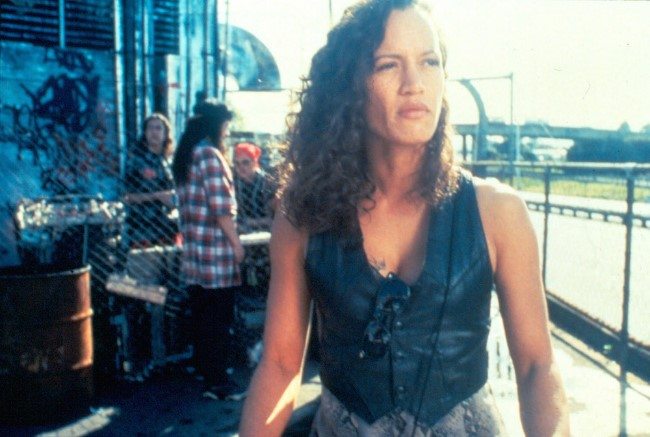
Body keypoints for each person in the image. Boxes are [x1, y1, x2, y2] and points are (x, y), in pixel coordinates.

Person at [239, 1, 569, 436]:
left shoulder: (499, 212)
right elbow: (281, 364)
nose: (415, 84)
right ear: (350, 86)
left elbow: (536, 366)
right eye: (388, 65)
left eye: (430, 62)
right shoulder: (302, 217)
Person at [172, 100, 246, 401]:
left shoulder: (186, 154)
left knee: (202, 318)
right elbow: (221, 209)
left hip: (195, 254)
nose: (226, 132)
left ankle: (206, 373)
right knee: (219, 321)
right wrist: (237, 245)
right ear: (217, 124)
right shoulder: (210, 155)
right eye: (225, 126)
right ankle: (219, 384)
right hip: (216, 255)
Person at [123, 113, 178, 249]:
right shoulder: (136, 160)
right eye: (150, 128)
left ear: (166, 133)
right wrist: (157, 196)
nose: (154, 132)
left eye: (158, 128)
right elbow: (126, 197)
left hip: (167, 226)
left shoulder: (169, 161)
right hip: (142, 227)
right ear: (145, 133)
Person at [233, 141, 277, 233]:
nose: (241, 167)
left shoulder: (267, 183)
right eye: (237, 163)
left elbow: (274, 219)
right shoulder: (234, 184)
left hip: (266, 233)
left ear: (255, 162)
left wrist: (251, 222)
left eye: (245, 162)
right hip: (242, 233)